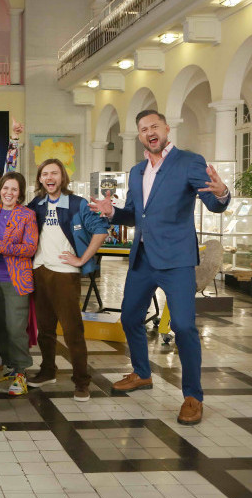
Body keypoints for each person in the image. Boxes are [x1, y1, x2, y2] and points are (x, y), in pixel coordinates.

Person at [89, 109, 230, 425]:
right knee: (129, 318)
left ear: (166, 129)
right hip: (143, 258)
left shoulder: (189, 162)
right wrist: (113, 213)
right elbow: (136, 215)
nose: (149, 132)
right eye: (143, 129)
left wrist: (222, 193)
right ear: (139, 135)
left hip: (177, 260)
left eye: (154, 126)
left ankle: (192, 396)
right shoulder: (137, 171)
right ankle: (142, 372)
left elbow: (214, 202)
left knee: (183, 326)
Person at [26, 159, 109, 402]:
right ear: (40, 179)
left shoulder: (77, 203)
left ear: (62, 177)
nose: (49, 177)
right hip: (39, 271)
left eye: (54, 173)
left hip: (65, 273)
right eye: (45, 174)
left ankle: (82, 381)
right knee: (45, 329)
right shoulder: (37, 204)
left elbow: (101, 230)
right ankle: (48, 370)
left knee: (73, 330)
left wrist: (82, 259)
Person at [0, 171, 38, 396]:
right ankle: (7, 365)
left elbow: (30, 248)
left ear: (20, 193)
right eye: (6, 188)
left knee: (16, 329)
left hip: (16, 281)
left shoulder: (27, 215)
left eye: (14, 189)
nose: (9, 192)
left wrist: (0, 245)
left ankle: (21, 372)